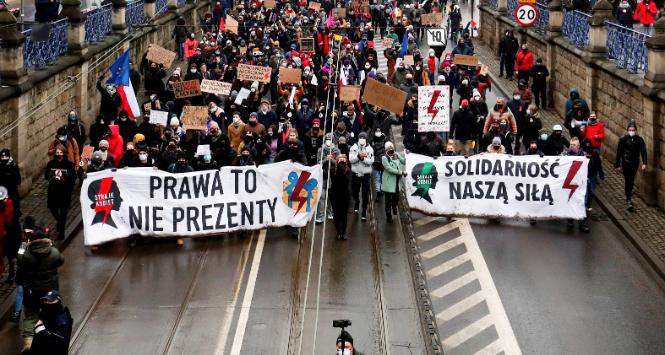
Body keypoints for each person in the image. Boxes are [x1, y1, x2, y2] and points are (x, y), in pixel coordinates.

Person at [16, 228, 64, 354]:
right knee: (52, 314)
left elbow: (19, 258)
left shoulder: (26, 256)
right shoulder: (54, 253)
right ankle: (53, 340)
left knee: (31, 316)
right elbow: (61, 260)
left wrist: (23, 244)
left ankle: (29, 342)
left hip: (32, 292)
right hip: (50, 292)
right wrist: (52, 244)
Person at [45, 146, 76, 240]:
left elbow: (73, 177)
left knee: (63, 212)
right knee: (52, 208)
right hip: (53, 191)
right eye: (57, 152)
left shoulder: (69, 164)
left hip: (64, 191)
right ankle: (59, 221)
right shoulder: (51, 163)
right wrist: (50, 176)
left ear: (64, 153)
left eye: (60, 152)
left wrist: (68, 176)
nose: (58, 154)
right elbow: (46, 176)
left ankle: (61, 232)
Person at [615, 120, 647, 211]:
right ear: (628, 129)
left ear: (635, 130)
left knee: (631, 180)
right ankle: (628, 198)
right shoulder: (623, 139)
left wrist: (644, 163)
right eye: (630, 129)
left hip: (634, 163)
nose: (632, 131)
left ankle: (628, 197)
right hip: (625, 163)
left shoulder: (639, 140)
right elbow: (619, 152)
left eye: (633, 129)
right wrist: (618, 164)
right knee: (627, 180)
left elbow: (643, 151)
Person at [29, 290, 73, 355]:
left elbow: (58, 344)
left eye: (50, 301)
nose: (46, 302)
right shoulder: (47, 314)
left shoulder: (62, 321)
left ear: (58, 301)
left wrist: (41, 331)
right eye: (45, 300)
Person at [566, 137, 590, 232]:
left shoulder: (583, 156)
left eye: (574, 145)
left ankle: (582, 223)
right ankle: (570, 220)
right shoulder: (566, 156)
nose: (572, 147)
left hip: (580, 184)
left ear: (578, 146)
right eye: (571, 145)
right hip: (570, 184)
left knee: (581, 204)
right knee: (570, 202)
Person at [349, 132, 374, 221]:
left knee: (365, 194)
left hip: (366, 175)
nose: (362, 140)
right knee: (354, 191)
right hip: (356, 174)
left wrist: (363, 159)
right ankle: (357, 201)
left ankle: (364, 211)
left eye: (364, 138)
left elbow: (371, 161)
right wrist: (358, 156)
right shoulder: (353, 148)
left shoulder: (370, 149)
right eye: (360, 138)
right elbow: (351, 160)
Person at [316, 134, 340, 223]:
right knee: (322, 197)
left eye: (330, 139)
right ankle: (320, 216)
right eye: (327, 139)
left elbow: (339, 163)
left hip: (333, 176)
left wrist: (332, 160)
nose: (328, 141)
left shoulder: (337, 151)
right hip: (323, 176)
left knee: (331, 196)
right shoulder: (320, 150)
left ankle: (330, 212)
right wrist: (326, 159)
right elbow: (318, 162)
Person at [382, 142, 405, 223]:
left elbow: (404, 161)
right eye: (389, 150)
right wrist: (400, 172)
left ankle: (394, 206)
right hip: (388, 182)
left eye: (392, 150)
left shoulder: (396, 155)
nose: (391, 152)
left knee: (396, 198)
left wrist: (408, 155)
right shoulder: (384, 158)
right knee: (388, 199)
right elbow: (388, 168)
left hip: (396, 181)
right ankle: (388, 215)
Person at [331, 155, 351, 240]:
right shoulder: (333, 170)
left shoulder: (348, 171)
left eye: (343, 160)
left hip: (344, 195)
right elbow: (334, 180)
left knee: (344, 215)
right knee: (336, 215)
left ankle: (344, 231)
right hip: (335, 195)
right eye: (340, 160)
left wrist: (342, 171)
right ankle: (338, 231)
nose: (342, 161)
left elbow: (347, 181)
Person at [582, 138, 604, 212]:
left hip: (592, 176)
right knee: (585, 192)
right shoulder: (581, 154)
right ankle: (585, 205)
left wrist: (601, 174)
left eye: (589, 144)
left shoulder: (594, 153)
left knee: (591, 191)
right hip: (584, 176)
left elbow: (599, 164)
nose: (587, 146)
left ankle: (588, 203)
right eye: (586, 145)